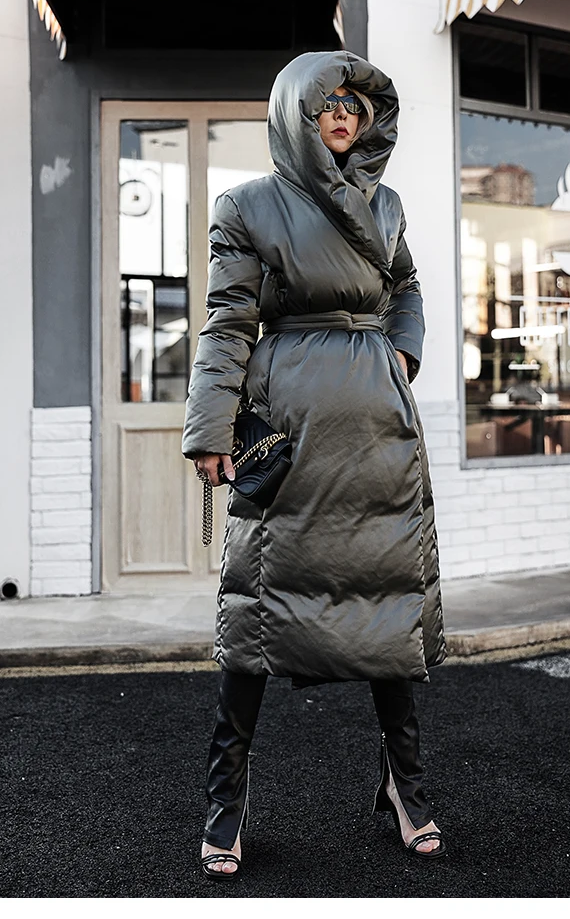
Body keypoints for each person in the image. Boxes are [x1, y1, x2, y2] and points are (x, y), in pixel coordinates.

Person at [182, 50, 448, 880]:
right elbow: (228, 322)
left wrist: (401, 353)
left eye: (353, 104)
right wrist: (211, 429)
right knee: (254, 610)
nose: (341, 114)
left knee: (387, 601)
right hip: (290, 429)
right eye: (325, 101)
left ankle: (405, 787)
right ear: (294, 111)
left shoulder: (387, 203)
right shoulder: (246, 205)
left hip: (377, 422)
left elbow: (406, 287)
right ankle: (226, 800)